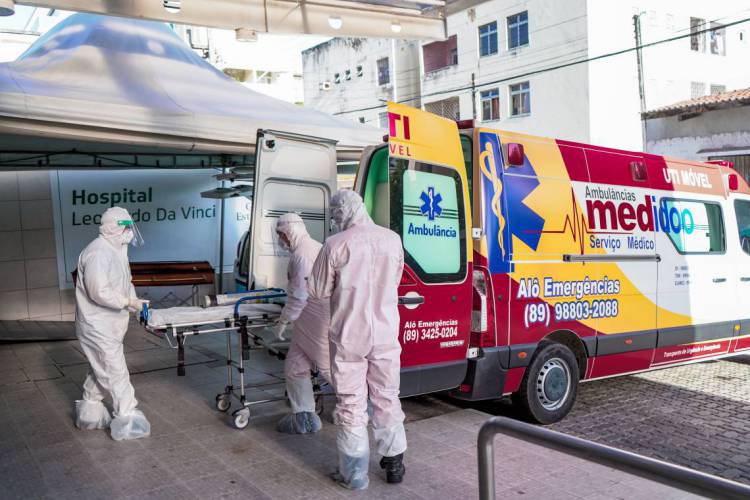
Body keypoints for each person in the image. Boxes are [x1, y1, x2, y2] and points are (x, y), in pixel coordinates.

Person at [308, 190, 406, 490]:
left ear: (342, 212)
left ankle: (355, 473)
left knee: (351, 401)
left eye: (335, 213)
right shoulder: (392, 239)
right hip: (386, 331)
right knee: (387, 395)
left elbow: (318, 291)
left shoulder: (335, 244)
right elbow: (396, 278)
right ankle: (394, 464)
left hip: (350, 333)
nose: (334, 219)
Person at [74, 206, 151, 441]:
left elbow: (125, 282)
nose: (129, 233)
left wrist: (135, 303)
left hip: (111, 323)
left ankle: (90, 413)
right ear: (112, 229)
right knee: (116, 371)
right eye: (126, 228)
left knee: (101, 367)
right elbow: (99, 292)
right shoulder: (98, 252)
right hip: (97, 325)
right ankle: (128, 419)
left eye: (131, 228)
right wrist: (128, 301)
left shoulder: (117, 250)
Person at [274, 213, 331, 434]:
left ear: (291, 232)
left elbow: (300, 295)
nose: (281, 240)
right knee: (295, 367)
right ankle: (304, 417)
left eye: (282, 235)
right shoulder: (312, 248)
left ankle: (362, 408)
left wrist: (284, 319)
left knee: (328, 368)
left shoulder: (303, 255)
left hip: (315, 319)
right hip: (307, 320)